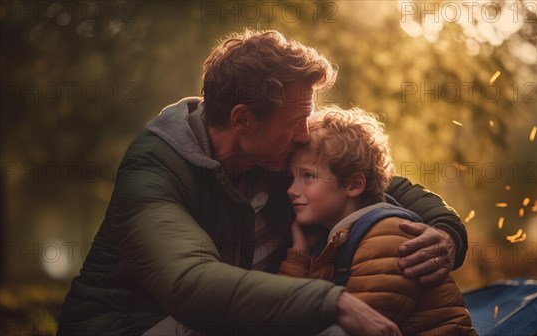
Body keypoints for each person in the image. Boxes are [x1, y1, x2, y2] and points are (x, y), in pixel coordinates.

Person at [57, 29, 468, 336]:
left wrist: (446, 233)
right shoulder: (153, 170)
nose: (305, 135)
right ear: (241, 120)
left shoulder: (276, 153)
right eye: (294, 123)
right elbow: (191, 284)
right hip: (134, 326)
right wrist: (332, 302)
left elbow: (365, 176)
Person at [279, 106, 477, 335]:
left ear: (354, 185)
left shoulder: (388, 235)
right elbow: (284, 313)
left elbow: (358, 325)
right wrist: (298, 257)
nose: (291, 190)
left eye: (308, 176)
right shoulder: (331, 238)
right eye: (292, 178)